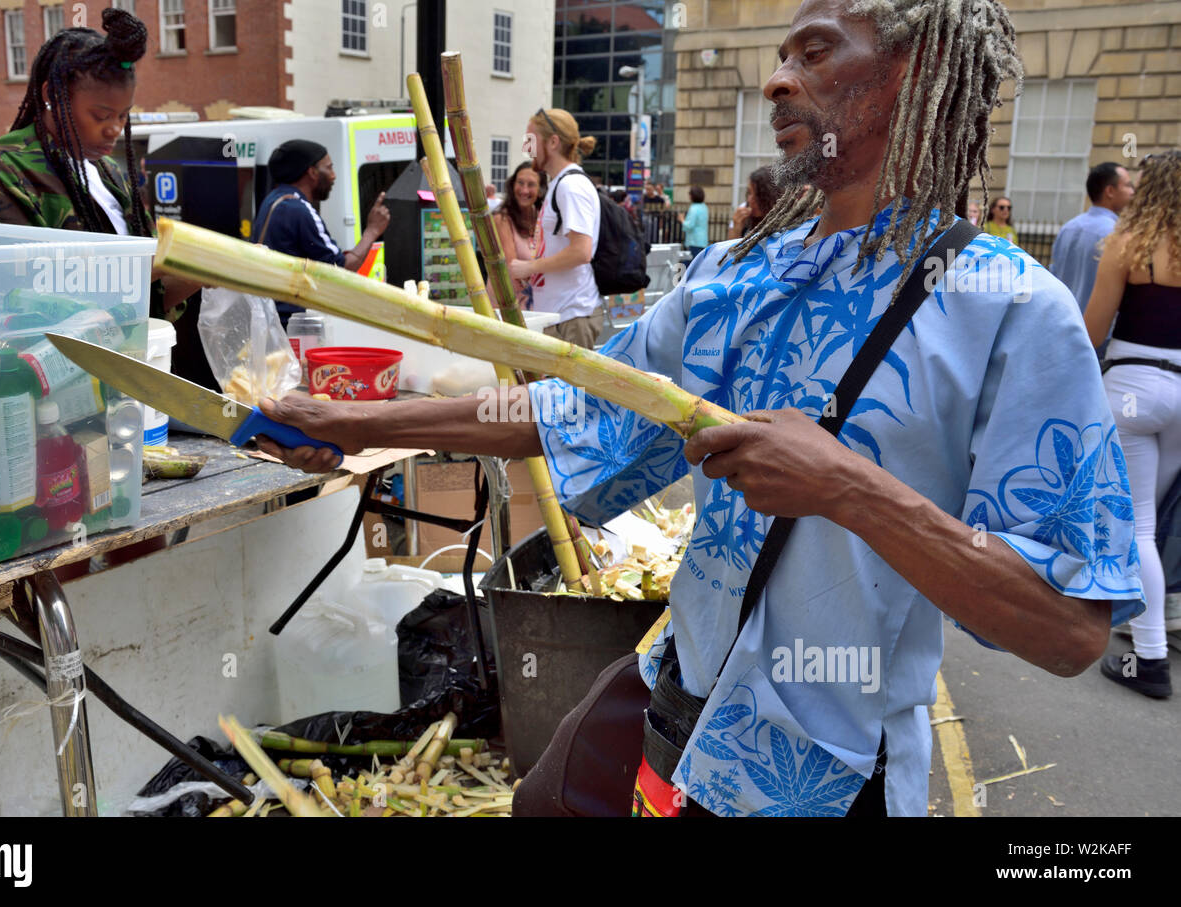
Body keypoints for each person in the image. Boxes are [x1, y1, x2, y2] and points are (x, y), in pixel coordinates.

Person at [254, 0, 1142, 817]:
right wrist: (358, 425)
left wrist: (851, 491)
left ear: (915, 67)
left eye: (818, 50)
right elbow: (564, 404)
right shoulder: (741, 275)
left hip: (820, 774)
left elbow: (1069, 626)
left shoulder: (1010, 309)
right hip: (678, 708)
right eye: (782, 52)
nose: (778, 77)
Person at [0, 8, 197, 322]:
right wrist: (149, 266)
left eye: (122, 115)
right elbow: (18, 292)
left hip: (127, 360)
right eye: (101, 116)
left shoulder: (110, 174)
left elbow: (148, 304)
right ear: (53, 96)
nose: (114, 129)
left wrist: (201, 270)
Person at [1084, 149, 1181, 698]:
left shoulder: (1128, 245)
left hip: (1134, 390)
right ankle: (1143, 618)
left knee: (1138, 524)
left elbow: (1091, 331)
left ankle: (1148, 660)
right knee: (1159, 519)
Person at [252, 139, 390, 329]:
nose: (333, 176)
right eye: (329, 168)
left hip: (270, 319)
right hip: (291, 325)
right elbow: (341, 268)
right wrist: (372, 230)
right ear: (312, 172)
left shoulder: (273, 200)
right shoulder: (298, 209)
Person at [506, 108, 605, 348]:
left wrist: (531, 266)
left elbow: (581, 251)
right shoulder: (561, 184)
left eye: (530, 140)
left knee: (567, 387)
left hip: (570, 318)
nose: (526, 148)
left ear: (552, 142)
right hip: (564, 317)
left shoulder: (570, 186)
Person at [1051, 162, 1136, 314]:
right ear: (1110, 191)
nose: (1133, 192)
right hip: (1096, 330)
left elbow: (1054, 277)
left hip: (1062, 321)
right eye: (1128, 185)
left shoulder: (1068, 228)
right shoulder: (1117, 234)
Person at [491, 161, 543, 309]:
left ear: (540, 190)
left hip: (537, 303)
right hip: (509, 304)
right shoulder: (502, 219)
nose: (524, 190)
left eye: (531, 185)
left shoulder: (542, 218)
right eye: (520, 183)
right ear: (512, 185)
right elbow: (511, 267)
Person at [732, 167, 781, 238]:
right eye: (749, 192)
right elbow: (732, 248)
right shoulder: (746, 222)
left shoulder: (785, 228)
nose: (750, 200)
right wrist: (737, 229)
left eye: (758, 195)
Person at [681, 185, 709, 257]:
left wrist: (682, 219)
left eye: (690, 194)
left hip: (694, 241)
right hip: (703, 241)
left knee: (690, 264)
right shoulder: (704, 207)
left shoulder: (694, 208)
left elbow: (689, 225)